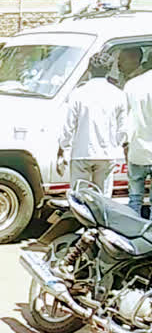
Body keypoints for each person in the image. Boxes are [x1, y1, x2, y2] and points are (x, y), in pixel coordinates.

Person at [57, 52, 127, 197]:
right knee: (103, 199)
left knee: (80, 198)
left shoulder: (78, 93)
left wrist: (63, 148)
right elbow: (122, 129)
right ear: (108, 69)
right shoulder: (118, 94)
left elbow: (68, 126)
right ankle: (100, 220)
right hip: (107, 154)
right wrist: (115, 145)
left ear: (89, 69)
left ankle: (82, 220)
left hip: (81, 154)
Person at [125, 66, 152, 216]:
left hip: (137, 151)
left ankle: (131, 234)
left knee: (134, 199)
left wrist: (125, 144)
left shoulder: (132, 85)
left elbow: (125, 120)